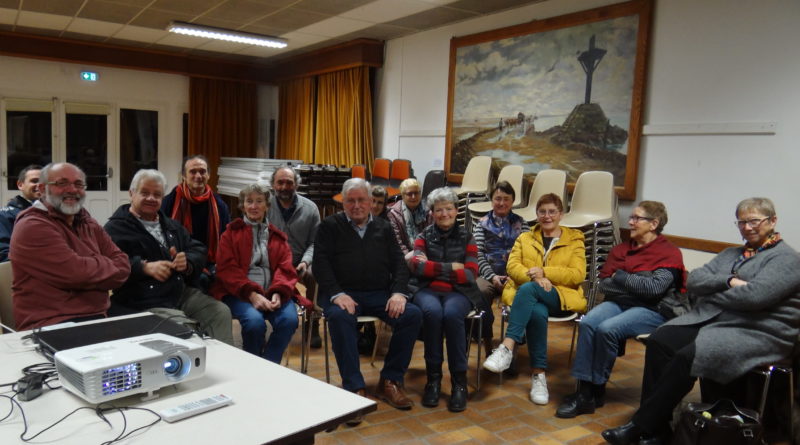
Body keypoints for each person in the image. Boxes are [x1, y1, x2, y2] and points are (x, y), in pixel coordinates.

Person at [601, 197, 800, 445]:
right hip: (716, 319)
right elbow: (694, 281)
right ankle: (659, 428)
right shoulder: (732, 254)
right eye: (742, 222)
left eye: (754, 221)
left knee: (690, 355)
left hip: (760, 330)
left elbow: (755, 297)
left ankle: (641, 425)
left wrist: (715, 293)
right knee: (661, 340)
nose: (747, 227)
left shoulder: (787, 259)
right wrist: (729, 281)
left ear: (772, 221)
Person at [556, 201, 685, 419]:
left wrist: (622, 276)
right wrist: (636, 282)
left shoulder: (669, 253)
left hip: (653, 309)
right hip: (619, 302)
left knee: (608, 329)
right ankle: (585, 392)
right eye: (631, 217)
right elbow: (603, 284)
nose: (630, 222)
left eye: (636, 218)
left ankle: (596, 388)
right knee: (588, 322)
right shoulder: (621, 249)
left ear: (654, 224)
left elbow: (654, 290)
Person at [314, 178, 422, 425]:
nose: (356, 205)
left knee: (412, 315)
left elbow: (399, 265)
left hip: (378, 293)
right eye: (350, 200)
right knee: (340, 317)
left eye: (361, 200)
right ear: (343, 203)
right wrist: (337, 294)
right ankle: (354, 388)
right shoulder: (329, 227)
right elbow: (320, 265)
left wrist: (398, 293)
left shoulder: (384, 228)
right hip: (343, 293)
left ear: (371, 202)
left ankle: (390, 380)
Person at [105, 169, 234, 345]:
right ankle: (196, 367)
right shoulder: (115, 229)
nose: (151, 198)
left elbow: (197, 248)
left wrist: (186, 261)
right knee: (184, 329)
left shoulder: (170, 225)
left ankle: (221, 363)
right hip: (143, 300)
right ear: (131, 193)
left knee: (220, 312)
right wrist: (143, 267)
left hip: (178, 292)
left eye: (157, 194)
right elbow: (108, 265)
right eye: (145, 193)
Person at [482, 193, 586, 405]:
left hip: (561, 297)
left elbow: (577, 274)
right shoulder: (525, 237)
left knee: (529, 290)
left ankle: (507, 347)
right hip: (530, 296)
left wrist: (544, 273)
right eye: (542, 212)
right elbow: (512, 267)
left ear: (561, 214)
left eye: (552, 211)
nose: (547, 216)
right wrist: (536, 278)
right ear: (537, 215)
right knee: (537, 310)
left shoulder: (575, 240)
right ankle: (539, 375)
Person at [10, 162, 130, 330]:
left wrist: (87, 267)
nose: (73, 190)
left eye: (79, 184)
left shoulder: (86, 221)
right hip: (50, 324)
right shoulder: (32, 225)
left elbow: (124, 266)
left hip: (98, 319)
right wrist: (103, 263)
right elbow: (76, 274)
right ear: (43, 189)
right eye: (62, 183)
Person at [212, 183, 312, 362]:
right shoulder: (230, 234)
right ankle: (254, 363)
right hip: (241, 293)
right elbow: (227, 270)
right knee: (254, 324)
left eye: (259, 201)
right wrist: (251, 294)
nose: (254, 206)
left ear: (267, 205)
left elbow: (285, 268)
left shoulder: (278, 236)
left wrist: (278, 292)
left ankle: (267, 364)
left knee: (289, 321)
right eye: (249, 201)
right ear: (242, 205)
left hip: (274, 292)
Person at [409, 187, 484, 412]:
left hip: (459, 292)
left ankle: (459, 384)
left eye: (448, 209)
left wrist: (431, 268)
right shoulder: (423, 236)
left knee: (451, 315)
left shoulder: (467, 237)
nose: (444, 214)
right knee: (432, 313)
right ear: (432, 212)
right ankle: (433, 381)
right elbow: (416, 267)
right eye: (439, 210)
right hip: (426, 290)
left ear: (456, 211)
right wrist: (451, 267)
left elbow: (471, 274)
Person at [266, 165, 322, 347]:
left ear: (296, 185)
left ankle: (312, 322)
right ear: (273, 185)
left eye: (289, 182)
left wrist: (306, 262)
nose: (284, 187)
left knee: (316, 275)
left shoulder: (311, 208)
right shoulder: (264, 205)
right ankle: (266, 319)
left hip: (300, 261)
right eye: (280, 182)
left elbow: (315, 242)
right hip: (272, 261)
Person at [473, 180, 530, 356]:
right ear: (492, 200)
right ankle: (487, 341)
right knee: (479, 290)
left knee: (525, 292)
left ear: (513, 201)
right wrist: (492, 277)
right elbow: (478, 254)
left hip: (516, 276)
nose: (502, 203)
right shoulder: (481, 224)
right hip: (488, 275)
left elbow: (527, 255)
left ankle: (511, 348)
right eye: (498, 198)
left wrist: (515, 276)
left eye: (506, 199)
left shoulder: (523, 224)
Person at [162, 155, 231, 284]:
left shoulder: (219, 205)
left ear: (209, 175)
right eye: (193, 172)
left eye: (202, 171)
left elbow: (227, 238)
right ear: (183, 175)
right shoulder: (169, 202)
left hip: (211, 262)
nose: (198, 176)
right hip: (178, 261)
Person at [0, 164, 42, 262]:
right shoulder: (4, 216)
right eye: (34, 181)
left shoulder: (57, 214)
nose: (40, 185)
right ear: (20, 185)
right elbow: (4, 254)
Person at [388, 178, 431, 258]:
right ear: (403, 195)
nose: (413, 196)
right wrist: (412, 258)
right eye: (409, 194)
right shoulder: (393, 214)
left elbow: (431, 237)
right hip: (405, 256)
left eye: (416, 193)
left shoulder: (428, 211)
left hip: (426, 253)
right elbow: (398, 243)